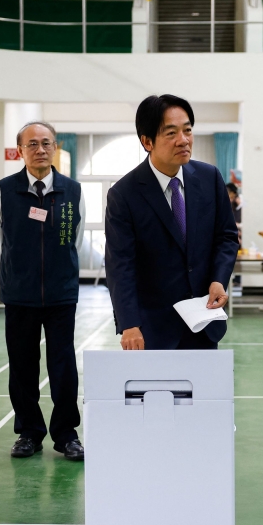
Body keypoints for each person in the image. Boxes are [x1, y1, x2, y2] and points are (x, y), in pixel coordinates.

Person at [105, 94, 239, 350]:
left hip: (204, 320)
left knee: (206, 391)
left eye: (187, 130)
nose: (184, 140)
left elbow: (226, 237)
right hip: (153, 329)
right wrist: (129, 323)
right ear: (147, 142)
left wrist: (219, 279)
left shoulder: (209, 178)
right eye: (171, 133)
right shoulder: (124, 194)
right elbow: (120, 265)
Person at [0, 121, 85, 461]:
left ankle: (66, 434)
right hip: (20, 295)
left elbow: (76, 238)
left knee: (63, 367)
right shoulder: (3, 191)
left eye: (46, 143)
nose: (40, 149)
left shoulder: (72, 191)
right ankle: (29, 432)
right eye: (32, 144)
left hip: (60, 295)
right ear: (20, 151)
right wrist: (20, 273)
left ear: (55, 147)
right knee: (23, 367)